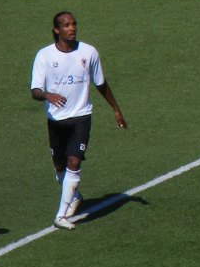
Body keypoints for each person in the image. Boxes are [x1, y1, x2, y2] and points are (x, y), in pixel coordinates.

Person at [30, 12, 128, 230]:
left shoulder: (88, 52)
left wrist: (116, 110)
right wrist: (47, 95)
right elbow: (35, 91)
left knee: (74, 162)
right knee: (60, 165)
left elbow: (100, 84)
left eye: (74, 24)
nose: (72, 28)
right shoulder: (44, 56)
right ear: (57, 30)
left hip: (81, 117)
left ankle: (61, 215)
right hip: (56, 120)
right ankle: (74, 196)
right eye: (66, 25)